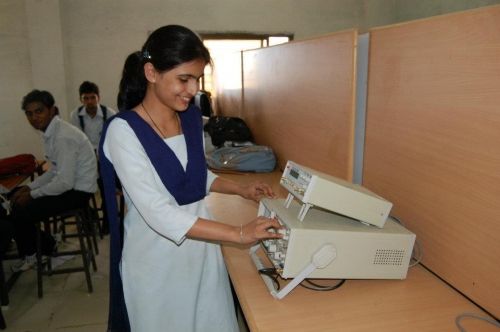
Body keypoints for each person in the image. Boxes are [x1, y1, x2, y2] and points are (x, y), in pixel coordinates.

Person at [99, 25, 282, 332]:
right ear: (151, 72)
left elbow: (194, 174)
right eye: (183, 79)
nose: (193, 89)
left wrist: (241, 189)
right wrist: (238, 233)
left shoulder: (190, 118)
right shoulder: (123, 131)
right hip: (156, 259)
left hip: (201, 247)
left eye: (197, 78)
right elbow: (157, 211)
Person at [9, 90, 97, 272]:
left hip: (79, 192)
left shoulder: (63, 136)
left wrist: (32, 194)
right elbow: (55, 170)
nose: (34, 117)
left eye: (39, 111)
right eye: (29, 113)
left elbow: (64, 182)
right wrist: (29, 187)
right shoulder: (51, 132)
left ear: (51, 110)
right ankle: (47, 245)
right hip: (72, 186)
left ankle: (35, 254)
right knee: (16, 199)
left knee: (20, 211)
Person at [70, 81, 117, 150]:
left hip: (105, 152)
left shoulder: (110, 114)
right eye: (86, 98)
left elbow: (113, 138)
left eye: (93, 98)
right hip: (85, 154)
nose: (90, 102)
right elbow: (76, 139)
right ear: (80, 99)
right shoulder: (75, 115)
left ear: (98, 98)